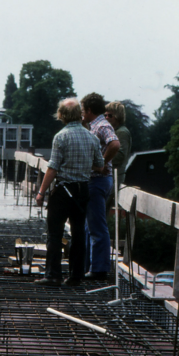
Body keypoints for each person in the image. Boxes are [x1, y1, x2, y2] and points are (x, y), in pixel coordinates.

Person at [35, 98, 103, 287]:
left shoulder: (61, 136)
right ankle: (76, 276)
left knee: (55, 234)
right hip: (82, 190)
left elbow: (53, 167)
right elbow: (99, 164)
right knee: (78, 233)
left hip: (64, 190)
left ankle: (53, 275)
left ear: (62, 115)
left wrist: (41, 192)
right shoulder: (92, 137)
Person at [80, 93, 120, 280]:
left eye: (82, 110)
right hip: (95, 181)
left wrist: (102, 163)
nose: (81, 114)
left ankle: (99, 269)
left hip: (98, 180)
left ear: (89, 110)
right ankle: (91, 265)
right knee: (90, 225)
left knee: (97, 226)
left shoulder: (102, 125)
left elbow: (115, 143)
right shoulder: (93, 126)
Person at [104, 101, 131, 182]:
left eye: (110, 115)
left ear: (118, 116)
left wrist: (102, 160)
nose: (106, 118)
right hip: (109, 174)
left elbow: (120, 156)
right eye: (105, 115)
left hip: (115, 176)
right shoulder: (112, 131)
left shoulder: (122, 132)